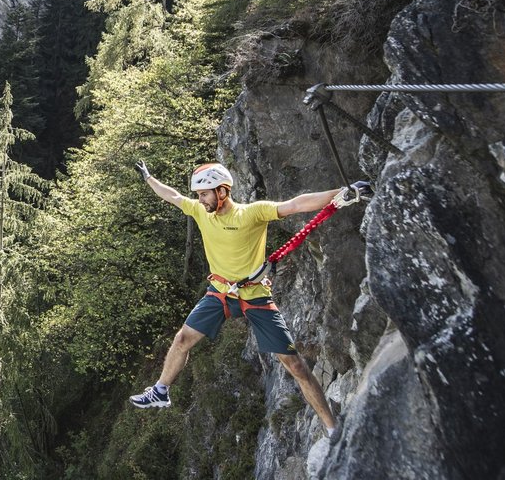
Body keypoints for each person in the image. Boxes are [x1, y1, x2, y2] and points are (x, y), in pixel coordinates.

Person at [128, 161, 357, 439]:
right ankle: (160, 391)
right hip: (220, 293)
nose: (200, 200)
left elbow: (296, 204)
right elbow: (173, 196)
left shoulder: (252, 213)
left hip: (255, 295)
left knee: (294, 365)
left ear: (222, 192)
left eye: (204, 194)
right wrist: (149, 177)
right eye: (199, 195)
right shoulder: (201, 212)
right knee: (182, 339)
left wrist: (342, 193)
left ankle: (332, 428)